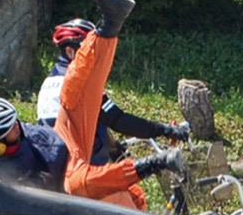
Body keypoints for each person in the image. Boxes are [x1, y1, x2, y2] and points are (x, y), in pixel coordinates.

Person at [0, 0, 182, 209]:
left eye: (16, 122)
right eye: (12, 131)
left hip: (62, 137)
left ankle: (110, 23)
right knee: (79, 183)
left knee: (74, 91)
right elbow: (118, 120)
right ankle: (152, 165)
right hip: (66, 178)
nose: (18, 128)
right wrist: (161, 134)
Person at [37, 17, 190, 169]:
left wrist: (113, 147)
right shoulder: (78, 84)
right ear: (70, 52)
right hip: (82, 169)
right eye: (89, 51)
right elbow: (117, 119)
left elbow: (90, 119)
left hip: (53, 166)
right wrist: (165, 130)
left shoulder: (49, 82)